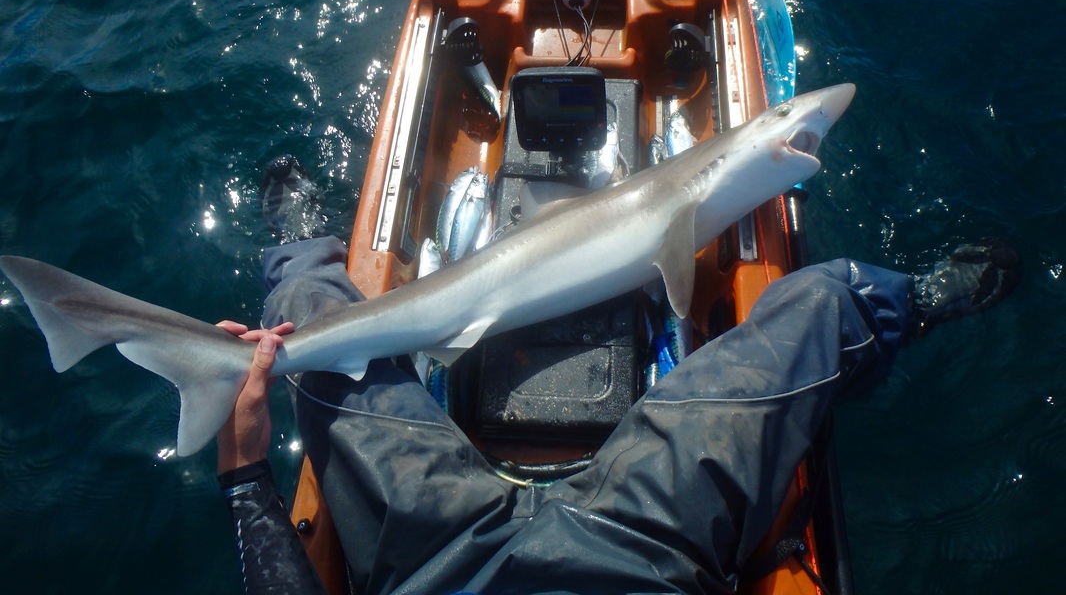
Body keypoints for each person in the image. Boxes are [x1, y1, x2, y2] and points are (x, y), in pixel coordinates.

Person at [216, 156, 1022, 595]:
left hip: (441, 560)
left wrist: (248, 484)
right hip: (644, 555)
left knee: (306, 322)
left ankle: (300, 250)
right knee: (820, 302)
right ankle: (910, 306)